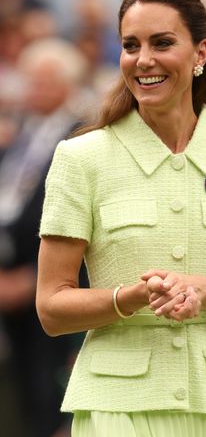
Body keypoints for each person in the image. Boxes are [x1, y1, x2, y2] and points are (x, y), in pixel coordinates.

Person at [36, 0, 206, 437]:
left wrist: (203, 290)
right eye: (131, 45)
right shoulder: (79, 158)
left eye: (162, 42)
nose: (144, 60)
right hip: (116, 409)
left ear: (201, 54)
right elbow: (51, 308)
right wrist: (131, 298)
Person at [0, 37, 89, 437]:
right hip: (10, 279)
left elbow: (69, 219)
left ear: (68, 86)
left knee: (49, 399)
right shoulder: (18, 137)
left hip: (49, 282)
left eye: (45, 82)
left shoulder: (79, 138)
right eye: (30, 81)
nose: (34, 91)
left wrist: (33, 279)